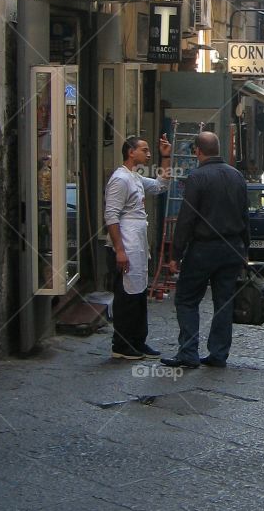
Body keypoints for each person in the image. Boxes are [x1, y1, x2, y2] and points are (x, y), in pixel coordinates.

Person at [161, 132, 249, 369]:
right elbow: (245, 216)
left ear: (197, 151)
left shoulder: (197, 177)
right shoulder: (237, 176)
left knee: (187, 299)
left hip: (203, 248)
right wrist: (245, 251)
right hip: (232, 247)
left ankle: (188, 352)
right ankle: (218, 354)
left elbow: (186, 219)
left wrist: (175, 255)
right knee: (224, 302)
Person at [104, 134, 172, 360]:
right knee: (126, 293)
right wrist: (120, 250)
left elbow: (162, 185)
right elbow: (111, 215)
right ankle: (121, 344)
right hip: (128, 239)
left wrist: (166, 157)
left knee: (139, 291)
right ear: (131, 152)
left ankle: (137, 340)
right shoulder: (120, 179)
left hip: (138, 240)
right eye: (144, 149)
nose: (148, 153)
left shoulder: (135, 177)